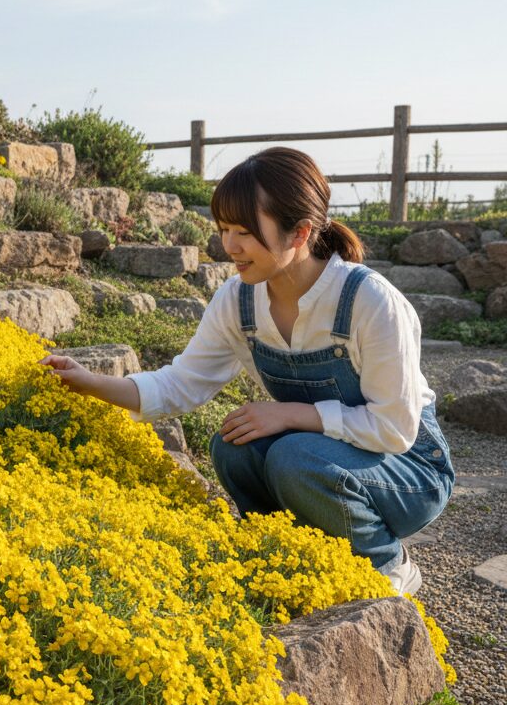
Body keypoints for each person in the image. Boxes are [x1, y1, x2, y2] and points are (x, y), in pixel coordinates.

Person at [37, 146, 455, 595]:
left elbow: (394, 429)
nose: (229, 246)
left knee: (294, 457)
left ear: (300, 233)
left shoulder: (370, 301)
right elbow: (180, 385)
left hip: (409, 470)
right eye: (225, 229)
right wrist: (89, 381)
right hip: (327, 456)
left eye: (246, 232)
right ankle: (290, 559)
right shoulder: (239, 301)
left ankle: (386, 564)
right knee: (233, 447)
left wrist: (292, 414)